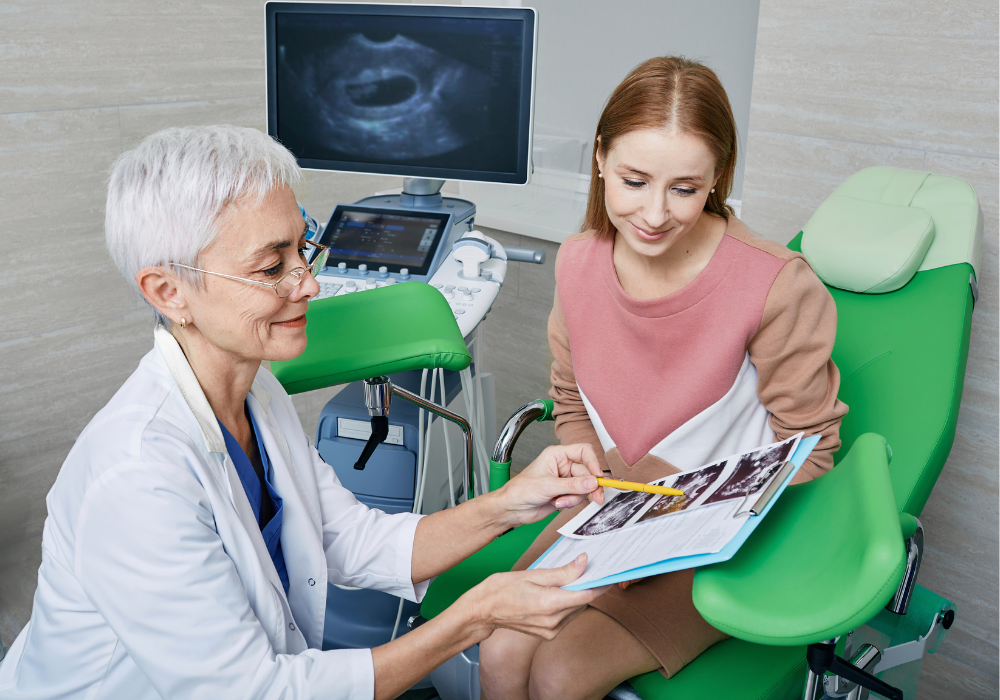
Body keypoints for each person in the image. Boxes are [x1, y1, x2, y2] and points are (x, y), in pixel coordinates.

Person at [0, 125, 611, 700]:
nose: (308, 283)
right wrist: (473, 618)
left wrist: (507, 504)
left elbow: (349, 539)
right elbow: (258, 692)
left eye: (303, 247)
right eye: (271, 267)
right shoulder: (135, 478)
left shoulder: (255, 392)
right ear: (169, 292)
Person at [478, 56, 848, 700]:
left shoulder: (775, 285)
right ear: (600, 158)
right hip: (615, 506)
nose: (653, 213)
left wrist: (684, 529)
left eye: (684, 187)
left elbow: (812, 448)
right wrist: (599, 490)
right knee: (500, 646)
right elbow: (570, 401)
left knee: (562, 675)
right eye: (634, 180)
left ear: (716, 179)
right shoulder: (579, 263)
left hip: (720, 532)